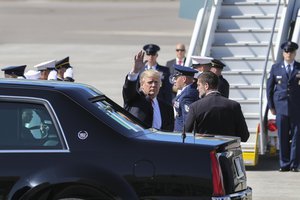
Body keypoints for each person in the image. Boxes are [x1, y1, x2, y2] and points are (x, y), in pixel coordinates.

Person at [185, 71, 249, 142]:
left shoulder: (195, 106)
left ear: (206, 86)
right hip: (229, 150)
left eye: (199, 85)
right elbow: (244, 136)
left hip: (204, 149)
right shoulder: (234, 106)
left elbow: (186, 135)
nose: (197, 88)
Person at [266, 41, 300, 172]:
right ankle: (284, 164)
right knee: (283, 136)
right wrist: (271, 106)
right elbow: (269, 88)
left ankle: (294, 164)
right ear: (283, 53)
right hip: (280, 107)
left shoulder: (299, 67)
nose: (289, 54)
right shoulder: (276, 68)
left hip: (297, 107)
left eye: (291, 51)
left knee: (297, 137)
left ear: (295, 53)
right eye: (286, 51)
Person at [122, 50, 174, 131]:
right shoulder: (133, 99)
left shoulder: (167, 108)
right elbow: (128, 89)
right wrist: (135, 71)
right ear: (142, 84)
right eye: (150, 82)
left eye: (156, 82)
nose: (153, 85)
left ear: (160, 85)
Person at [171, 65, 199, 132]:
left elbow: (187, 120)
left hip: (182, 135)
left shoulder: (188, 95)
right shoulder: (188, 91)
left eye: (176, 78)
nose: (174, 81)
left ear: (184, 79)